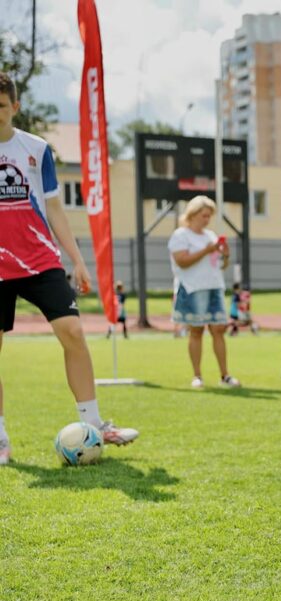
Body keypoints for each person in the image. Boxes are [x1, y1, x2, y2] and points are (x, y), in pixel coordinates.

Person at [0, 71, 138, 465]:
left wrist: (77, 260)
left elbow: (55, 208)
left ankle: (94, 427)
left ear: (15, 107)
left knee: (73, 332)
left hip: (40, 258)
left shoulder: (36, 149)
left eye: (1, 106)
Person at [168, 195, 241, 388]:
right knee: (196, 331)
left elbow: (220, 265)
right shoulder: (180, 235)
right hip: (193, 288)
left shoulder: (210, 236)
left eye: (209, 216)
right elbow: (182, 261)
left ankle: (225, 375)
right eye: (204, 215)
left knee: (218, 330)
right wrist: (206, 251)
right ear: (192, 214)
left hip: (213, 286)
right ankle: (197, 375)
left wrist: (225, 255)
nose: (207, 219)